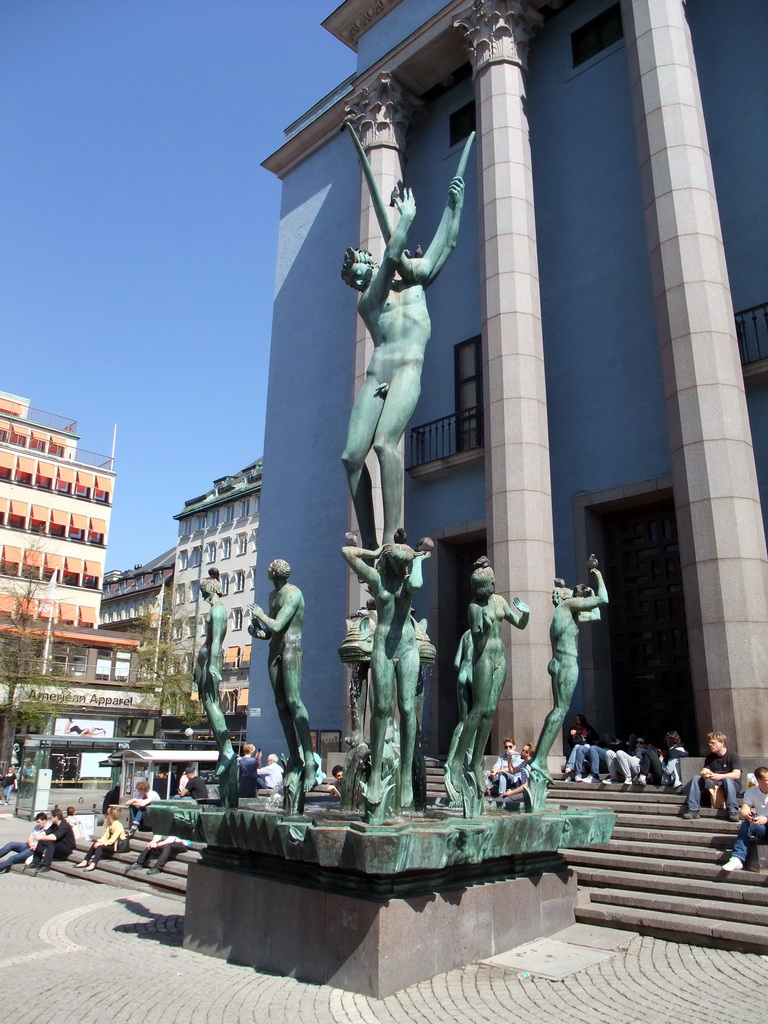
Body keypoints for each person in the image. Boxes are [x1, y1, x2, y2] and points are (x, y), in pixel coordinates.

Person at [340, 126, 471, 551]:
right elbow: (393, 253)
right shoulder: (370, 301)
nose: (362, 271)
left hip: (406, 372)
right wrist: (407, 217)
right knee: (350, 457)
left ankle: (394, 538)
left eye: (363, 263)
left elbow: (445, 245)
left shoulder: (414, 286)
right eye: (356, 273)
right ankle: (370, 539)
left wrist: (455, 203)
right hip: (377, 373)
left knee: (384, 444)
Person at [341, 537, 431, 809]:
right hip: (382, 646)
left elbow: (416, 584)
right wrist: (374, 550)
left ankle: (405, 775)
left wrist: (417, 559)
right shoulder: (378, 581)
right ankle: (377, 771)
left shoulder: (407, 582)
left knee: (406, 707)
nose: (403, 569)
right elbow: (346, 552)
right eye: (400, 563)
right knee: (381, 706)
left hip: (407, 647)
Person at [444, 557, 530, 806]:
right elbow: (478, 643)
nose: (493, 585)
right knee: (478, 709)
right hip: (482, 660)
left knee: (491, 710)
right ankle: (459, 760)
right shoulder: (474, 607)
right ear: (482, 586)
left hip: (500, 659)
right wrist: (480, 627)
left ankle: (476, 759)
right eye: (490, 583)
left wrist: (525, 612)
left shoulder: (500, 601)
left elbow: (520, 624)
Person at [528, 567, 608, 795]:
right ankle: (539, 759)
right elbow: (603, 599)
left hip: (561, 662)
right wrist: (597, 575)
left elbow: (596, 614)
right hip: (565, 662)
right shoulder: (566, 607)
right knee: (561, 710)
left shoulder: (568, 613)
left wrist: (589, 593)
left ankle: (539, 759)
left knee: (560, 710)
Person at [248, 560, 317, 794]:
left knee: (294, 702)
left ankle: (310, 762)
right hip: (275, 651)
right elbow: (269, 632)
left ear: (276, 572)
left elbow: (278, 625)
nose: (267, 569)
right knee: (280, 705)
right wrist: (257, 630)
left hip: (291, 648)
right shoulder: (272, 595)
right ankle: (295, 758)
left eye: (270, 567)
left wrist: (261, 615)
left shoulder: (293, 593)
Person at [683, 731, 742, 821]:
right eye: (709, 743)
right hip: (714, 783)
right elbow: (705, 769)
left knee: (728, 779)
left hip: (731, 786)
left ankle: (733, 811)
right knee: (696, 778)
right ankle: (693, 810)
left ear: (722, 743)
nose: (710, 745)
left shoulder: (733, 756)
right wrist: (705, 774)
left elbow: (737, 774)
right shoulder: (710, 757)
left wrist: (720, 776)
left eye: (713, 743)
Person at [722, 766, 768, 871]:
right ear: (758, 780)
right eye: (766, 780)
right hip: (763, 828)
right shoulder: (751, 792)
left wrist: (766, 819)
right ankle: (737, 858)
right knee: (747, 822)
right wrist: (745, 813)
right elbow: (744, 809)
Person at [76, 807, 126, 872]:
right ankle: (85, 860)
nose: (106, 816)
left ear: (110, 815)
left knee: (100, 847)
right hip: (110, 843)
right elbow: (105, 836)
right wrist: (99, 841)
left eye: (107, 814)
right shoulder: (110, 825)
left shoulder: (117, 825)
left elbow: (113, 840)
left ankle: (93, 863)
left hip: (116, 846)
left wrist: (102, 844)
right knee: (95, 844)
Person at [27, 808, 76, 873]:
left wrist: (41, 837)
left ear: (55, 817)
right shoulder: (55, 825)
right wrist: (39, 835)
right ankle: (36, 862)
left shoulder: (64, 825)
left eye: (52, 817)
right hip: (59, 845)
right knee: (42, 841)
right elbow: (47, 831)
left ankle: (46, 865)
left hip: (66, 848)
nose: (50, 818)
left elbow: (54, 837)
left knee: (51, 842)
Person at [125, 834, 192, 875]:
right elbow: (157, 837)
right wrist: (152, 843)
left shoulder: (174, 824)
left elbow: (170, 840)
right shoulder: (161, 825)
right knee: (152, 845)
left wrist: (156, 844)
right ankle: (139, 863)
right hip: (167, 842)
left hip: (181, 844)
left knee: (167, 846)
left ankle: (158, 867)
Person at [563, 714, 601, 783]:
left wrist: (585, 735)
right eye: (577, 726)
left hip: (588, 749)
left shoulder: (588, 728)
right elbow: (570, 743)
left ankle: (572, 766)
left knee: (585, 745)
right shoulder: (572, 729)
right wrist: (572, 736)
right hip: (578, 751)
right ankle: (570, 766)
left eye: (580, 726)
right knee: (577, 746)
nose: (579, 727)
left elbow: (596, 737)